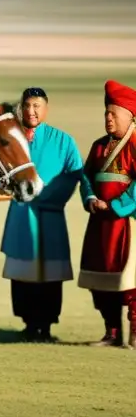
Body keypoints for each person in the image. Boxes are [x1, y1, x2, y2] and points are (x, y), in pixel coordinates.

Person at [0, 87, 85, 341]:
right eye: (27, 105)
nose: (31, 111)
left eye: (37, 106)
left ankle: (46, 325)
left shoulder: (63, 140)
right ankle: (28, 323)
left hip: (49, 215)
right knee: (22, 272)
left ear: (46, 109)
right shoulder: (11, 137)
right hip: (21, 213)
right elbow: (0, 167)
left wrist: (48, 197)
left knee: (50, 273)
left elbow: (74, 174)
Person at [77, 79, 136, 348]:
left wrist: (115, 206)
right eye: (106, 113)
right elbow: (86, 176)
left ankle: (135, 331)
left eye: (114, 113)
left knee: (131, 277)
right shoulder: (99, 146)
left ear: (130, 115)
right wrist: (90, 197)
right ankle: (111, 332)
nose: (108, 119)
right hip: (99, 223)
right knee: (100, 277)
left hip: (127, 223)